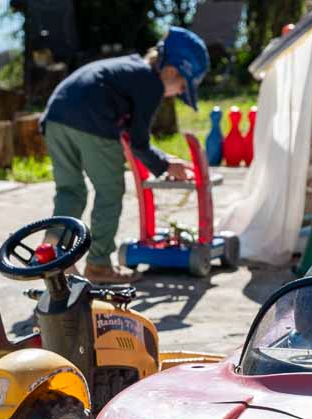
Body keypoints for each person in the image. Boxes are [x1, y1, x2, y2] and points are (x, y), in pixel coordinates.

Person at [40, 27, 209, 283]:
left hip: (55, 118)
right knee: (110, 190)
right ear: (171, 71)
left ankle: (54, 252)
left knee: (70, 191)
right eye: (182, 86)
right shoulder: (151, 84)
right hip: (93, 121)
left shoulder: (130, 69)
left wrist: (164, 161)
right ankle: (98, 265)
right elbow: (139, 143)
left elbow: (133, 137)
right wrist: (165, 166)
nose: (177, 93)